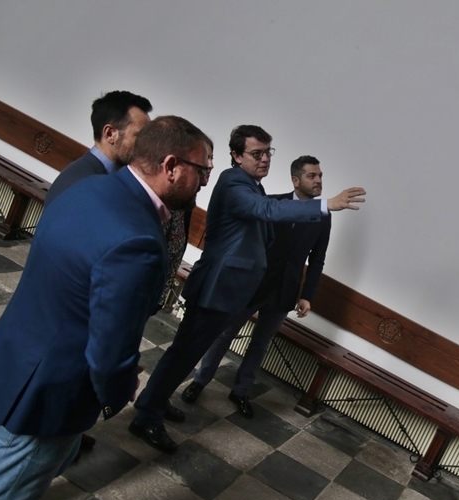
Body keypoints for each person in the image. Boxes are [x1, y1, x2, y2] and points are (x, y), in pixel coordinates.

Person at [0, 116, 213, 500]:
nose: (204, 182)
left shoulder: (87, 186)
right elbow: (110, 347)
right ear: (171, 166)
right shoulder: (139, 239)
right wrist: (119, 390)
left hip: (16, 355)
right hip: (52, 391)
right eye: (203, 170)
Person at [129, 125, 365, 453]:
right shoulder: (233, 182)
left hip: (231, 288)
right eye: (257, 153)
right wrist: (325, 205)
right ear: (237, 156)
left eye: (268, 153)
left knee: (185, 354)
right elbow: (266, 210)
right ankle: (146, 417)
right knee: (183, 353)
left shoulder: (253, 185)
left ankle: (155, 401)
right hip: (217, 286)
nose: (265, 159)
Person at [183, 155, 333, 417]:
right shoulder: (272, 203)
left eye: (320, 175)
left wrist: (307, 295)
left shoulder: (323, 216)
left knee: (260, 344)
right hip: (253, 284)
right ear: (295, 180)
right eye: (312, 175)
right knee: (224, 334)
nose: (318, 180)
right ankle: (200, 380)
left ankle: (241, 391)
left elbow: (317, 260)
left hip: (285, 291)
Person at [45, 90, 152, 205]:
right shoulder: (85, 183)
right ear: (110, 134)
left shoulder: (92, 175)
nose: (146, 144)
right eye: (140, 136)